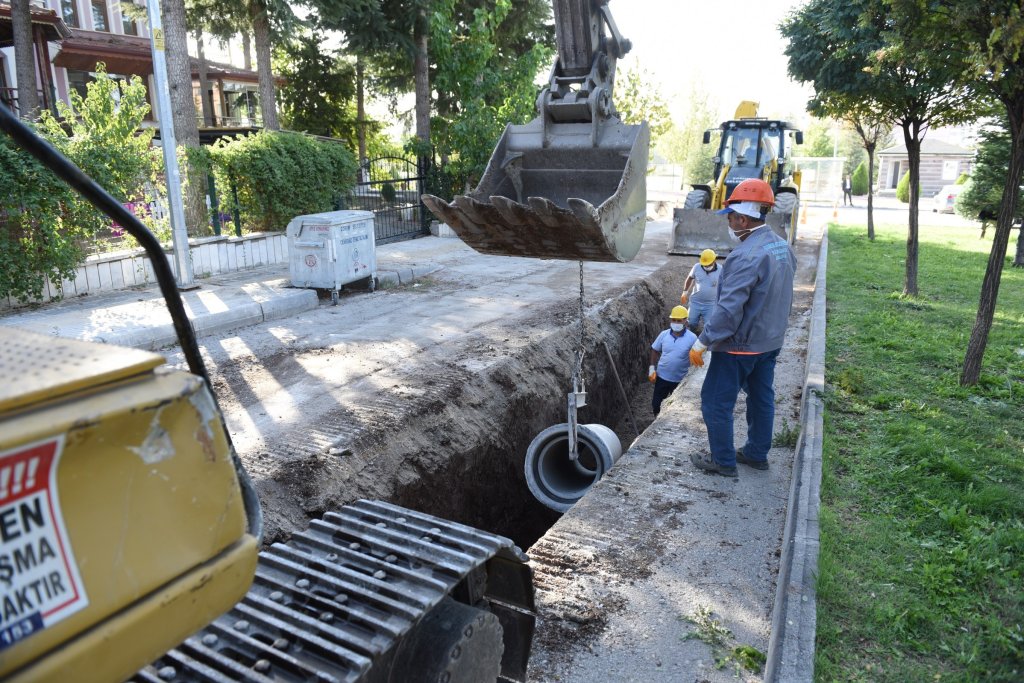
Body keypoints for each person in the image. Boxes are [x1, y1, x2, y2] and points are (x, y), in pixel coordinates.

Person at [687, 179, 796, 477]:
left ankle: (723, 462)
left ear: (744, 218)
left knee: (715, 401)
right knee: (761, 397)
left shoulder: (745, 256)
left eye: (732, 218)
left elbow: (728, 309)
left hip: (740, 346)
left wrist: (703, 341)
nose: (730, 224)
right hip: (770, 342)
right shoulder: (782, 247)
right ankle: (756, 454)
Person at [648, 305, 697, 416]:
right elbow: (654, 350)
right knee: (656, 404)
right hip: (662, 377)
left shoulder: (692, 338)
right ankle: (657, 421)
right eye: (674, 320)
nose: (676, 323)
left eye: (679, 320)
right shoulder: (663, 335)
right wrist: (651, 368)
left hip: (681, 380)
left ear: (685, 321)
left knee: (679, 408)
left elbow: (697, 357)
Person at [680, 248, 719, 334]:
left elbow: (724, 285)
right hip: (695, 303)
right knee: (691, 324)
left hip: (711, 304)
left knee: (709, 326)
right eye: (705, 265)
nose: (706, 266)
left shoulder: (721, 270)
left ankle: (705, 343)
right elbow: (690, 278)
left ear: (714, 260)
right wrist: (685, 292)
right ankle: (692, 337)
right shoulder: (697, 267)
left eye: (708, 265)